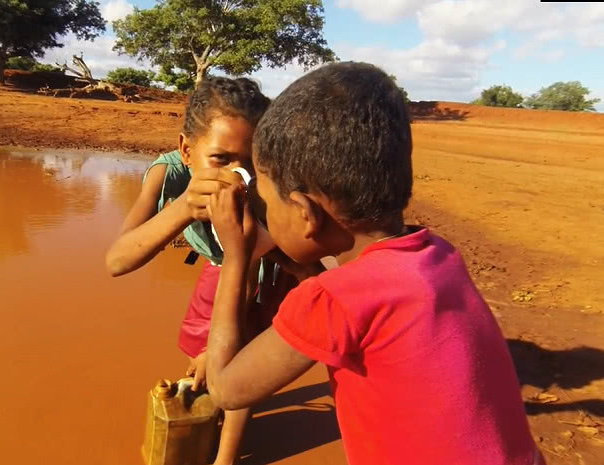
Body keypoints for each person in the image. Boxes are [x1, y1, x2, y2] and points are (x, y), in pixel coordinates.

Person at [205, 62, 545, 465]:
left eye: (264, 196)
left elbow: (225, 388)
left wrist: (236, 255)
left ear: (304, 213)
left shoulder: (332, 300)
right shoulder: (439, 255)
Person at [105, 76, 294, 465]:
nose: (237, 175)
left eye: (251, 161)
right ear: (186, 150)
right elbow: (117, 260)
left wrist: (218, 349)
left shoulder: (261, 186)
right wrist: (185, 206)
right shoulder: (168, 174)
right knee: (200, 356)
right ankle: (206, 422)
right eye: (221, 159)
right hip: (222, 262)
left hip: (265, 268)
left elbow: (249, 270)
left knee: (240, 366)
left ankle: (225, 457)